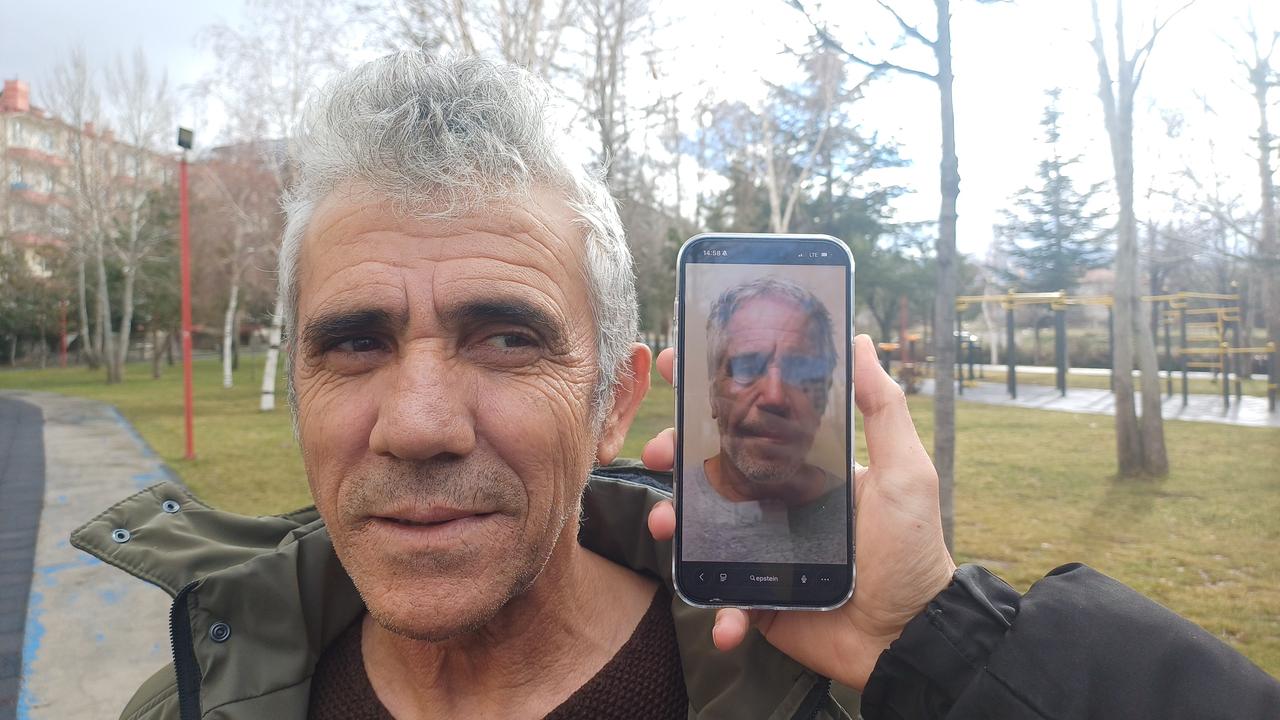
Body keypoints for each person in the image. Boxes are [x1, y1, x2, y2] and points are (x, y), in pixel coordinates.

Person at [70, 51, 1279, 720]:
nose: (420, 423)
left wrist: (946, 654)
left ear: (616, 397)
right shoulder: (184, 703)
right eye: (354, 344)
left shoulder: (834, 703)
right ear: (298, 387)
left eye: (505, 339)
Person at [682, 277, 848, 565]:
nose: (774, 397)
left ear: (823, 398)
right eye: (747, 366)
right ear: (712, 394)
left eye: (800, 371)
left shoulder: (862, 517)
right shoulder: (668, 509)